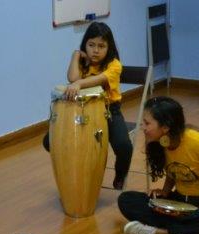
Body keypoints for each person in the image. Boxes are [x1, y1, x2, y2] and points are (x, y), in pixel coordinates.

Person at [117, 96, 199, 234]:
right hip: (178, 203)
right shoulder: (160, 143)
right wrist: (165, 191)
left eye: (147, 123)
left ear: (165, 127)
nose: (143, 127)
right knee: (126, 199)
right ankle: (189, 233)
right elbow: (174, 169)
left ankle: (160, 232)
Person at [42, 21, 133, 190]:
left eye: (101, 46)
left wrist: (79, 84)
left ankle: (120, 175)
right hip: (82, 110)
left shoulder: (114, 65)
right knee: (49, 141)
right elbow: (72, 78)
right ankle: (76, 170)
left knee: (124, 146)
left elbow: (98, 80)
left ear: (109, 47)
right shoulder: (82, 61)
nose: (96, 50)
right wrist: (75, 55)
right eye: (91, 45)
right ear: (85, 44)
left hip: (108, 110)